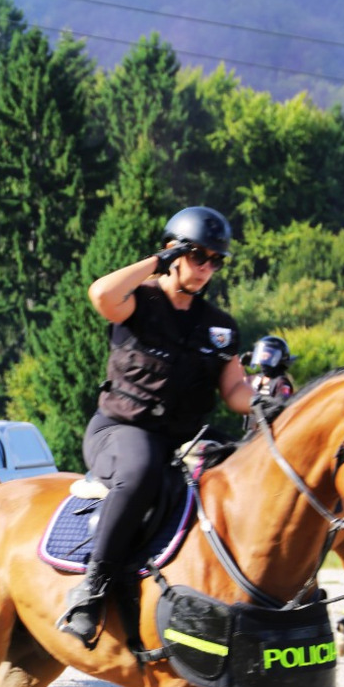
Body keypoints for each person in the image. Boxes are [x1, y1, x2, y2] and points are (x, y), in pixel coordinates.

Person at [58, 206, 264, 648]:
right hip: (118, 431)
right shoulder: (138, 301)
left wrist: (270, 402)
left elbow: (234, 391)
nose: (207, 267)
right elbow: (100, 294)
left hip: (183, 440)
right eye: (198, 256)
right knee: (142, 470)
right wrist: (158, 260)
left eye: (216, 260)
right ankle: (91, 589)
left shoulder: (220, 327)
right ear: (174, 251)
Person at [241, 335, 295, 431]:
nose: (263, 361)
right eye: (262, 356)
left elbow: (282, 405)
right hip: (252, 433)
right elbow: (239, 385)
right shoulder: (258, 378)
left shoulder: (281, 382)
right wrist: (240, 365)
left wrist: (262, 401)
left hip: (270, 433)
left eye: (267, 357)